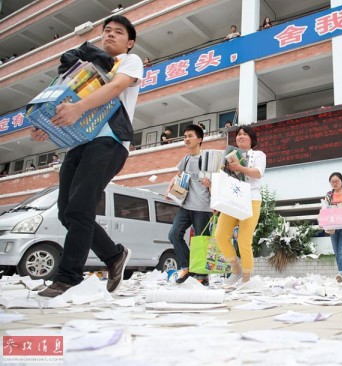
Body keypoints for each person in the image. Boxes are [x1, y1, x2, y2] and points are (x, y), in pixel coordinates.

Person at [31, 15, 143, 298]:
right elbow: (61, 95)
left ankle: (67, 278)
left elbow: (116, 87)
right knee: (67, 212)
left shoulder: (130, 61)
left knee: (80, 207)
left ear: (129, 43)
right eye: (106, 31)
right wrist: (46, 122)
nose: (110, 35)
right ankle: (114, 256)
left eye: (118, 32)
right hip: (78, 142)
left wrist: (79, 108)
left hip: (110, 140)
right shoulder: (84, 67)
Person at [214, 126, 266, 286]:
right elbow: (222, 178)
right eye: (238, 134)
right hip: (231, 199)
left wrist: (240, 168)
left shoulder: (258, 155)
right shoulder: (228, 155)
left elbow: (258, 173)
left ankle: (246, 277)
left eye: (245, 134)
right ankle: (235, 269)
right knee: (220, 236)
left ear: (252, 139)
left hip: (251, 199)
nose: (241, 136)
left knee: (244, 240)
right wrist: (215, 197)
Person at [167, 124, 213, 285]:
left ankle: (201, 276)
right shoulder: (186, 159)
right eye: (185, 136)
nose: (186, 139)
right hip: (185, 206)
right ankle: (187, 267)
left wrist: (210, 185)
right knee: (174, 234)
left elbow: (217, 184)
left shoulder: (207, 159)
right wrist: (169, 189)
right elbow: (177, 176)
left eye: (190, 136)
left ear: (199, 139)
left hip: (202, 207)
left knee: (201, 242)